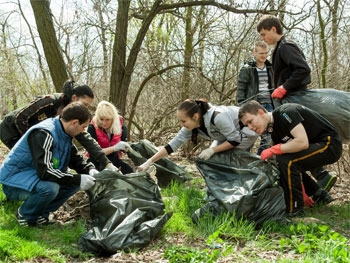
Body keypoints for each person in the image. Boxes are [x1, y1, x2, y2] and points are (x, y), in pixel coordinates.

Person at [256, 14, 337, 192]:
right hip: (288, 99)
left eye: (263, 34)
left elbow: (303, 70)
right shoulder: (280, 48)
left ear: (273, 29)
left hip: (295, 98)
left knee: (298, 139)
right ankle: (320, 180)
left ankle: (321, 178)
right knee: (292, 140)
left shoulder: (286, 46)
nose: (262, 38)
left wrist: (284, 87)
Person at [238, 100, 342, 217]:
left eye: (250, 121)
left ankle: (295, 211)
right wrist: (302, 193)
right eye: (247, 125)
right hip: (316, 146)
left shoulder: (285, 112)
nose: (250, 127)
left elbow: (302, 142)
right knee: (282, 161)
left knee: (286, 160)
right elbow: (292, 166)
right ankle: (319, 195)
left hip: (330, 144)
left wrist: (273, 149)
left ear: (261, 112)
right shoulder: (274, 132)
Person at [0, 102, 97, 227]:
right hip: (13, 182)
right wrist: (77, 178)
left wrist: (90, 170)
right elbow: (45, 172)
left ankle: (41, 214)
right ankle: (25, 215)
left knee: (74, 184)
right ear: (74, 122)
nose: (83, 131)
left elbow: (75, 159)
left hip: (33, 178)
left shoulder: (64, 133)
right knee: (50, 188)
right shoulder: (44, 133)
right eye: (83, 127)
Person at [0, 79, 118, 172]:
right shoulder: (49, 101)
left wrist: (106, 162)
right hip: (11, 130)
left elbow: (85, 138)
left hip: (38, 135)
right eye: (84, 104)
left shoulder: (73, 114)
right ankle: (17, 187)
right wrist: (33, 141)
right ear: (74, 98)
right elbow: (20, 117)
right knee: (31, 160)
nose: (86, 108)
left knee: (48, 161)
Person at [138, 99, 258, 171]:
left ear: (195, 116)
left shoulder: (218, 117)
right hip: (227, 136)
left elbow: (235, 140)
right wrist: (149, 162)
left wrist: (212, 150)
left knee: (232, 162)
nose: (181, 125)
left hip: (246, 131)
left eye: (183, 121)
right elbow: (172, 146)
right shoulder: (191, 125)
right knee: (214, 161)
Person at [236, 40, 274, 155]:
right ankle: (243, 160)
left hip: (270, 104)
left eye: (266, 53)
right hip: (253, 104)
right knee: (248, 136)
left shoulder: (271, 67)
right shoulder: (247, 68)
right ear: (255, 53)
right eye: (261, 53)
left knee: (268, 137)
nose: (264, 56)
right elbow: (241, 87)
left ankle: (259, 160)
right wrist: (242, 104)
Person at [86, 100, 133, 174]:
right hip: (95, 162)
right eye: (101, 119)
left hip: (115, 161)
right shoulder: (92, 127)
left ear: (113, 118)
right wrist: (114, 148)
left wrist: (128, 148)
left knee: (129, 172)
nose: (104, 123)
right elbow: (93, 152)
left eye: (107, 119)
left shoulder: (122, 127)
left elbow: (124, 147)